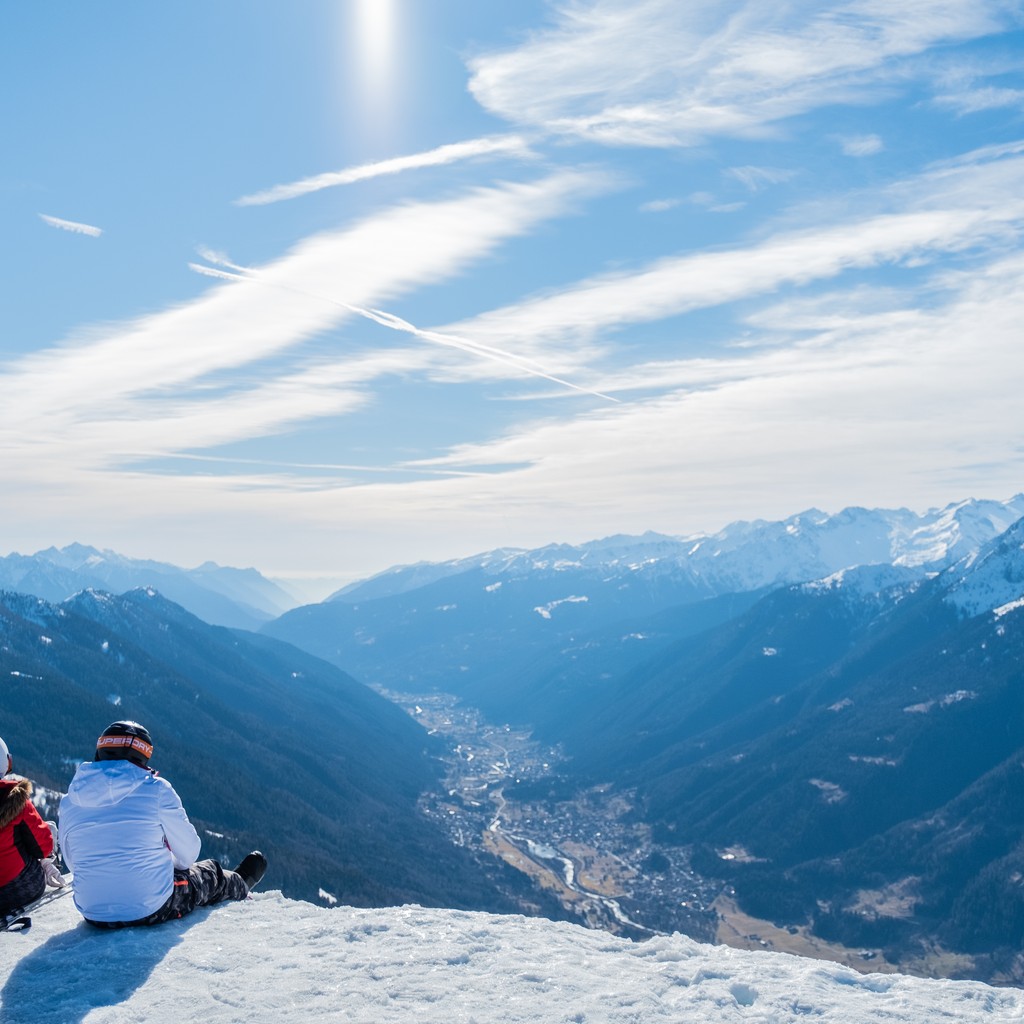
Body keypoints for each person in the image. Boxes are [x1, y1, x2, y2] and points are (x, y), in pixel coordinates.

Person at [58, 720, 266, 928]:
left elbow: (73, 862)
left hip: (93, 914)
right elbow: (188, 854)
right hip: (151, 908)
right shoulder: (157, 790)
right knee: (209, 874)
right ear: (142, 755)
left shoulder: (69, 801)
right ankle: (240, 882)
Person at [0, 735, 65, 916]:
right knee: (47, 829)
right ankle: (50, 870)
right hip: (17, 889)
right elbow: (42, 845)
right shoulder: (15, 800)